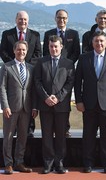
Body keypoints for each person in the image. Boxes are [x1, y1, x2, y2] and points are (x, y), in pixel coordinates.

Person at [74, 31, 106, 174]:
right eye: (96, 41)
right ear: (92, 43)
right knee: (88, 135)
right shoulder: (83, 58)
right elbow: (78, 82)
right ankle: (88, 163)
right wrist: (79, 101)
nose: (99, 43)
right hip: (88, 104)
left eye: (102, 41)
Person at [34, 35, 75, 174]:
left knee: (61, 137)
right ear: (48, 47)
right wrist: (46, 97)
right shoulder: (41, 62)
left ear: (61, 47)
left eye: (56, 46)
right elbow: (37, 82)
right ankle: (48, 164)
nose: (53, 49)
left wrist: (58, 98)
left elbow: (70, 83)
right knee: (46, 136)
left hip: (61, 106)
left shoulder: (68, 63)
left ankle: (60, 163)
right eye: (51, 46)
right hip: (45, 105)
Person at [0, 10, 42, 137]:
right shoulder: (7, 34)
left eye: (25, 19)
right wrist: (15, 64)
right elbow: (3, 52)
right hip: (12, 72)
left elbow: (38, 54)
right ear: (16, 20)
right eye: (20, 19)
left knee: (29, 100)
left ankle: (29, 129)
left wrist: (26, 65)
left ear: (28, 21)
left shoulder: (35, 35)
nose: (22, 21)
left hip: (29, 73)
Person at [0, 41, 37, 174]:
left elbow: (32, 90)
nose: (21, 52)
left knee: (23, 137)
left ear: (26, 52)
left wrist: (34, 107)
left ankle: (19, 162)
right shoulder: (6, 67)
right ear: (14, 51)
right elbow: (2, 87)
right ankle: (8, 163)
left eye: (23, 50)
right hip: (11, 108)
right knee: (8, 137)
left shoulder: (31, 68)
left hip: (26, 109)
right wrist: (5, 106)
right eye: (19, 50)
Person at [43, 9, 80, 137]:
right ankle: (52, 128)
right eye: (59, 17)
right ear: (55, 18)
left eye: (64, 18)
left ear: (67, 19)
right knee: (52, 96)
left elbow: (76, 52)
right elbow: (45, 52)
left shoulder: (74, 34)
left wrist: (66, 64)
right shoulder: (48, 34)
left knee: (65, 99)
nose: (61, 20)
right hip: (51, 70)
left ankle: (65, 127)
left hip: (67, 71)